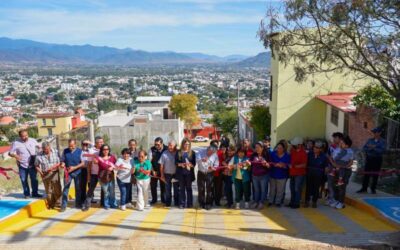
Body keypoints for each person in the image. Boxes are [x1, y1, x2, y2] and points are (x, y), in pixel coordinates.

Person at [9, 129, 42, 198]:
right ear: (20, 136)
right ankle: (27, 194)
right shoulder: (16, 143)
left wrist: (39, 151)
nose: (25, 137)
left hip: (32, 164)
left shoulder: (33, 140)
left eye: (26, 135)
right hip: (22, 165)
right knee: (24, 180)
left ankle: (35, 193)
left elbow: (39, 148)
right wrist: (15, 156)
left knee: (34, 179)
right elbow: (10, 153)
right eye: (23, 136)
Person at [358, 127, 386, 194]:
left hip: (377, 159)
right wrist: (371, 148)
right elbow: (364, 148)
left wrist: (374, 148)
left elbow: (382, 151)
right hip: (369, 158)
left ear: (379, 133)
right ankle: (364, 188)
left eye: (376, 132)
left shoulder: (383, 141)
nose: (374, 133)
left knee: (375, 174)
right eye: (374, 132)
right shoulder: (370, 140)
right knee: (366, 174)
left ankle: (373, 189)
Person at [35, 142, 62, 209]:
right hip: (45, 174)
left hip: (55, 172)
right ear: (42, 149)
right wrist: (41, 173)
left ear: (49, 147)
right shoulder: (39, 155)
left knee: (57, 189)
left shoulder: (56, 152)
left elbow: (60, 162)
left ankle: (59, 203)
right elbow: (36, 165)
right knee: (48, 190)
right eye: (44, 150)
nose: (46, 151)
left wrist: (53, 167)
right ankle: (51, 204)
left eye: (47, 149)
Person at [60, 139, 84, 212]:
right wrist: (62, 164)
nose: (71, 147)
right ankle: (64, 205)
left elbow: (83, 163)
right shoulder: (65, 151)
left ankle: (78, 203)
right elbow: (62, 161)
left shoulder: (80, 151)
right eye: (69, 146)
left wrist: (74, 167)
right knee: (65, 189)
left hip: (78, 172)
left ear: (75, 144)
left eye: (72, 146)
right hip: (68, 173)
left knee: (78, 189)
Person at [331, 136, 354, 209]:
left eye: (342, 143)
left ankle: (341, 202)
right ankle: (336, 200)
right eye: (340, 142)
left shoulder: (348, 151)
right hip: (337, 169)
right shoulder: (339, 149)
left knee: (341, 187)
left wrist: (344, 166)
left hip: (344, 171)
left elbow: (350, 162)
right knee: (335, 186)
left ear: (347, 145)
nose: (340, 144)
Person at [82, 136, 103, 211]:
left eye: (102, 142)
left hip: (102, 173)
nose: (101, 143)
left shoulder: (104, 149)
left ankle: (103, 203)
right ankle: (87, 205)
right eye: (99, 142)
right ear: (96, 143)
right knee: (91, 189)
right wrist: (88, 175)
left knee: (104, 189)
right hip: (94, 173)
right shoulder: (91, 151)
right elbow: (89, 164)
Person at [305, 141, 328, 208]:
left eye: (318, 148)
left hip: (318, 174)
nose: (316, 149)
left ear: (320, 149)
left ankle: (314, 201)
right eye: (315, 147)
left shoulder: (323, 156)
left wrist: (326, 169)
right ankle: (307, 201)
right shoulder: (309, 154)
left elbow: (326, 165)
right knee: (308, 187)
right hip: (309, 173)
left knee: (316, 188)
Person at [175, 138, 196, 209]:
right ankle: (182, 203)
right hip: (181, 174)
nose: (187, 145)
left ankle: (190, 203)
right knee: (182, 189)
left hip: (189, 174)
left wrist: (190, 165)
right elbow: (176, 163)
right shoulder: (178, 152)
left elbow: (194, 164)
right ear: (183, 144)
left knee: (189, 189)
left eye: (188, 144)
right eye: (185, 144)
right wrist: (181, 164)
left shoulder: (192, 153)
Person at [197, 146, 219, 210]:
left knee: (209, 189)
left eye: (212, 153)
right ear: (207, 150)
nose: (211, 154)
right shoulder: (201, 152)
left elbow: (216, 165)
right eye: (210, 152)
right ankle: (201, 203)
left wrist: (213, 168)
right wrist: (201, 160)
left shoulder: (215, 155)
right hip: (201, 172)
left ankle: (209, 203)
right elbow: (196, 159)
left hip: (210, 173)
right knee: (201, 189)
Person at [250, 142, 271, 210]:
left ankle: (261, 202)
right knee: (256, 190)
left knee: (263, 190)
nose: (257, 149)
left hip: (264, 176)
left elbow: (269, 166)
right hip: (255, 175)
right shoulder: (253, 155)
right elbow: (249, 163)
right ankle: (256, 202)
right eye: (256, 147)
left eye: (258, 147)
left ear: (262, 148)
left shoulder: (266, 155)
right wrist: (247, 163)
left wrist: (266, 164)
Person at [269, 142, 290, 207]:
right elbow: (269, 162)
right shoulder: (273, 154)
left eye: (280, 148)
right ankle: (271, 201)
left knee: (280, 190)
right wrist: (274, 164)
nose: (278, 149)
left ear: (283, 149)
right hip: (273, 174)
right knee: (272, 189)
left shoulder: (287, 155)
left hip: (282, 175)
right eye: (277, 148)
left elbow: (289, 165)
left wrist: (283, 165)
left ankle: (278, 202)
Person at [288, 137, 307, 209]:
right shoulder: (292, 151)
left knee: (297, 188)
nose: (293, 146)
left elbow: (304, 165)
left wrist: (295, 166)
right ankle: (292, 202)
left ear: (299, 145)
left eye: (294, 145)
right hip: (292, 173)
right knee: (292, 188)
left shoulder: (303, 153)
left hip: (299, 174)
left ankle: (296, 203)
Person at [159, 140, 179, 207]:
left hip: (176, 174)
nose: (169, 147)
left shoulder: (178, 153)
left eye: (171, 145)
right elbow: (161, 166)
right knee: (167, 190)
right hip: (167, 174)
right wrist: (162, 175)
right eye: (169, 145)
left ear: (175, 146)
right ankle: (168, 203)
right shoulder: (164, 153)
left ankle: (177, 203)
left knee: (176, 190)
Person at [97, 144, 118, 210]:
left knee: (112, 191)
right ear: (102, 150)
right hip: (102, 177)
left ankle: (113, 204)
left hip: (110, 176)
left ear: (109, 150)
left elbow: (116, 165)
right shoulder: (99, 158)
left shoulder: (112, 157)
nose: (106, 151)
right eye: (104, 149)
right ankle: (107, 204)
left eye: (107, 149)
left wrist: (113, 167)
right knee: (106, 192)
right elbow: (94, 162)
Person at [326, 132, 343, 206]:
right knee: (330, 183)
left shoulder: (343, 147)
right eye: (333, 138)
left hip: (339, 168)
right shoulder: (331, 147)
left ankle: (337, 199)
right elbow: (328, 156)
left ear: (340, 139)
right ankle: (331, 198)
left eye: (335, 138)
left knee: (337, 184)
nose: (333, 139)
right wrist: (331, 164)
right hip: (331, 167)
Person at [148, 137, 167, 205]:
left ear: (162, 143)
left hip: (164, 171)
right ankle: (154, 199)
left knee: (163, 186)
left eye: (158, 144)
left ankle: (164, 200)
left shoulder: (166, 149)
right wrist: (152, 170)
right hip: (154, 171)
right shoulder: (152, 149)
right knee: (153, 186)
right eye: (155, 144)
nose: (156, 146)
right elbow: (149, 161)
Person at [127, 139, 139, 205]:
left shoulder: (139, 152)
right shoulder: (126, 152)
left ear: (136, 145)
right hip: (128, 172)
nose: (132, 146)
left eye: (134, 144)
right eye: (131, 144)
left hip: (137, 172)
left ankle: (139, 200)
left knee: (139, 187)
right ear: (128, 145)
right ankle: (129, 200)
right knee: (128, 187)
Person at [80, 140, 91, 206]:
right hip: (83, 169)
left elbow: (96, 146)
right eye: (84, 144)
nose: (85, 146)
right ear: (81, 145)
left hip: (90, 169)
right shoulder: (80, 151)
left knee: (90, 185)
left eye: (86, 144)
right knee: (83, 185)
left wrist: (89, 142)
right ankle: (83, 199)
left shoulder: (90, 151)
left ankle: (90, 198)